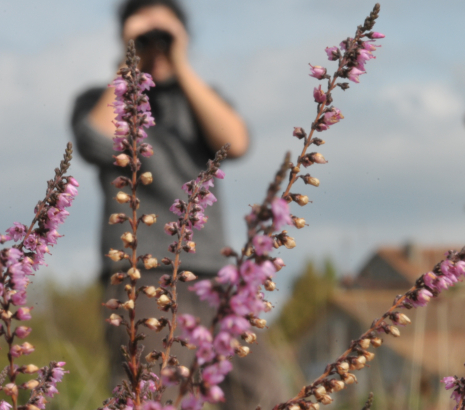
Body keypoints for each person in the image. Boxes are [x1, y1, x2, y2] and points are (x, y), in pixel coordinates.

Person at [70, 0, 287, 407]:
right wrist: (130, 62)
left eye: (165, 30)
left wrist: (180, 61)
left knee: (263, 395)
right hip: (140, 274)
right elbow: (94, 142)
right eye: (143, 30)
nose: (155, 39)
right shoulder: (99, 98)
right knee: (154, 393)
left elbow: (236, 143)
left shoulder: (201, 99)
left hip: (216, 275)